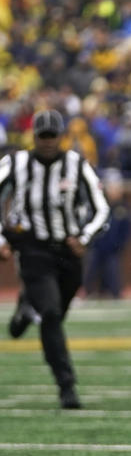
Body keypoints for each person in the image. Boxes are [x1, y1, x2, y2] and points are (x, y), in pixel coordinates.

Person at [0, 109, 110, 409]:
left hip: (67, 251)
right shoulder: (16, 163)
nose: (47, 142)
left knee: (55, 315)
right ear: (33, 136)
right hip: (33, 248)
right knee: (50, 314)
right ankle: (67, 385)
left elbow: (102, 207)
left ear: (60, 137)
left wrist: (84, 237)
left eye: (52, 136)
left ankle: (27, 308)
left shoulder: (77, 165)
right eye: (42, 136)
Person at [83, 168, 131, 299]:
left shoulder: (123, 208)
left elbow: (126, 230)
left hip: (112, 249)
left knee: (112, 267)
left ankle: (113, 292)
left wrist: (119, 245)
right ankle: (89, 292)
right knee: (91, 265)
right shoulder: (99, 205)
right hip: (96, 247)